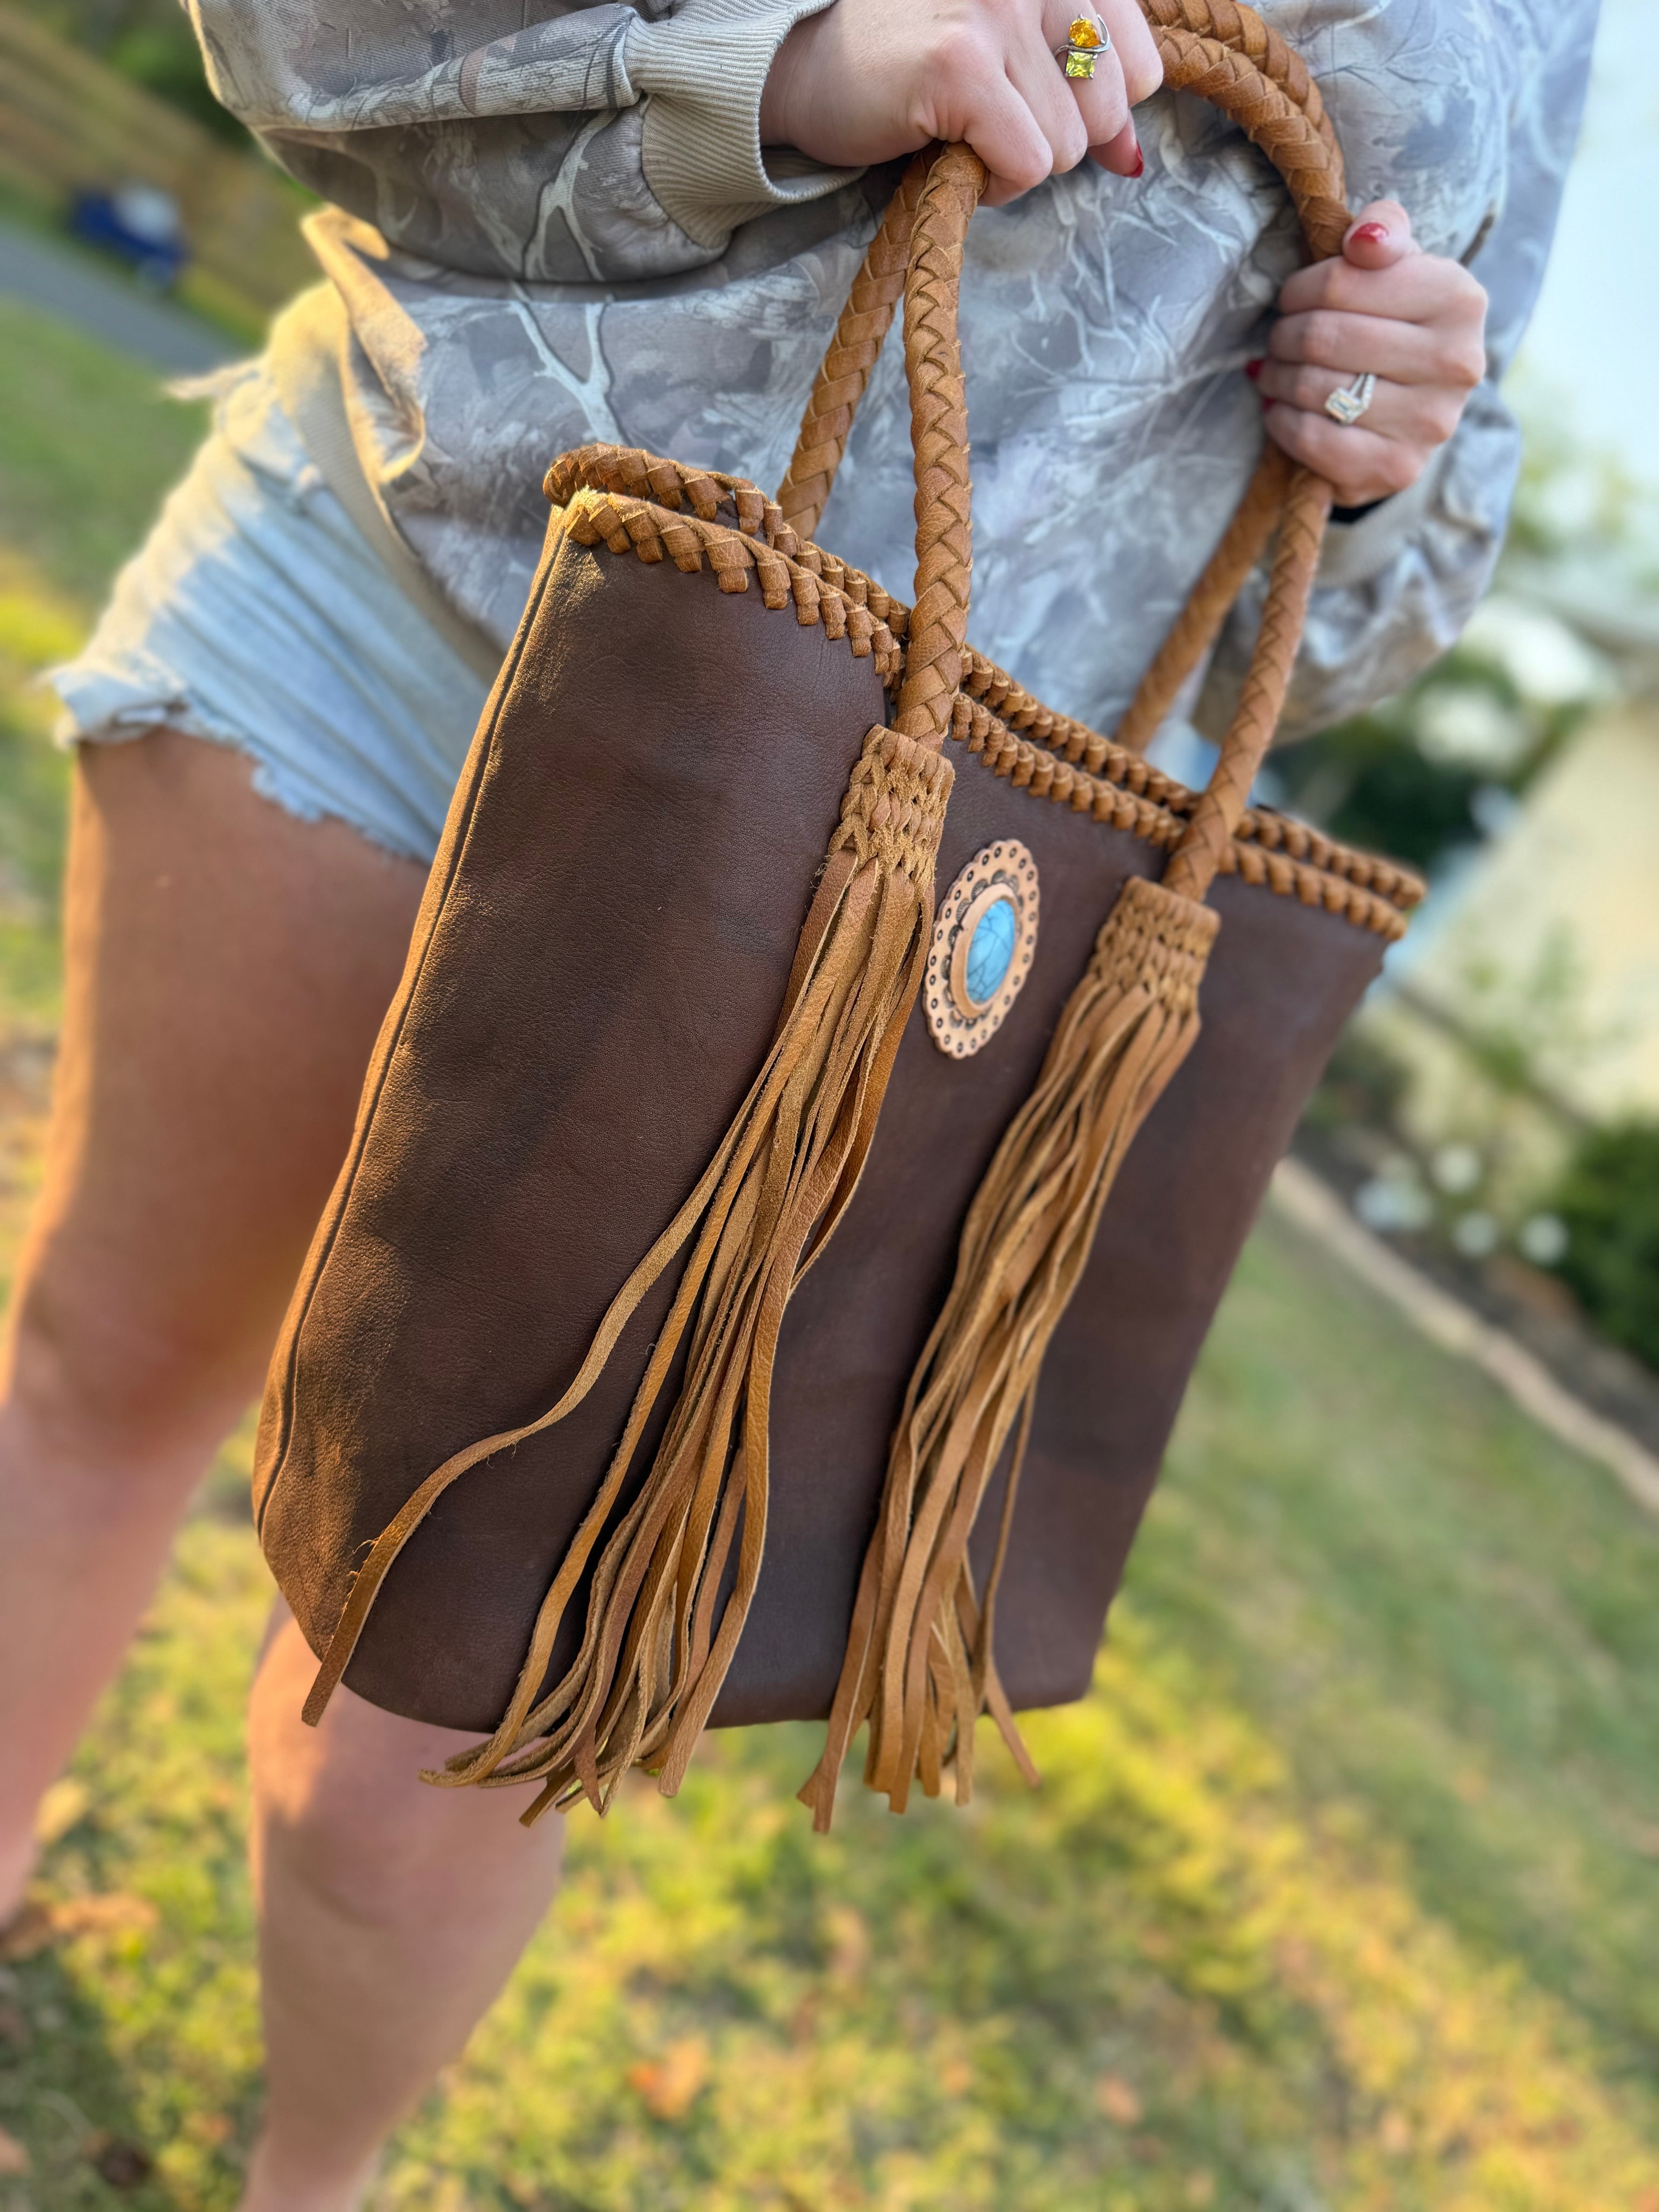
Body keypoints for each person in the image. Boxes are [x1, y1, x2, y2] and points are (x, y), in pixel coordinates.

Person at [0, 0, 1594, 2202]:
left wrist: (1397, 424)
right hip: (410, 565)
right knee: (104, 1360)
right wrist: (789, 63)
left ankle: (316, 2179)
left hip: (855, 879)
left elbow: (1372, 578)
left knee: (438, 1718)